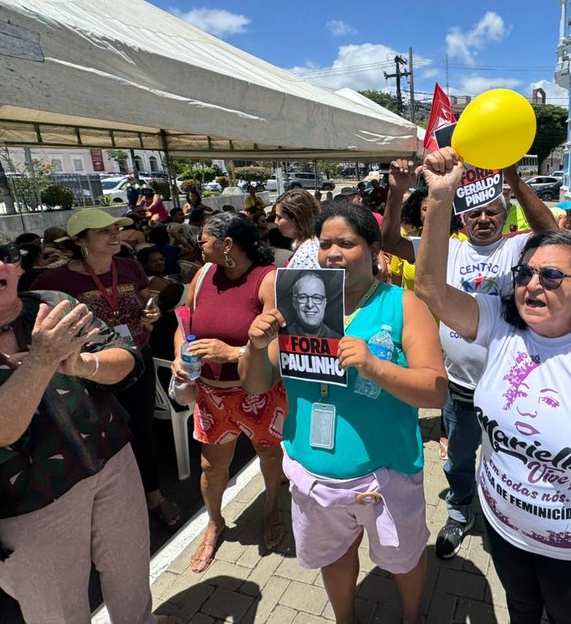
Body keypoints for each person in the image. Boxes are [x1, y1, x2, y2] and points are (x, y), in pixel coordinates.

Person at [414, 149, 571, 623]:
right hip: (502, 526)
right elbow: (430, 288)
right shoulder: (498, 322)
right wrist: (441, 197)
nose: (532, 284)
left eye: (551, 276)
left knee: (568, 616)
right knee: (521, 608)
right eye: (525, 273)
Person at [0, 215, 179, 624]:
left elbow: (126, 358)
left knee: (131, 571)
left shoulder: (50, 304)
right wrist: (42, 361)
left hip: (112, 463)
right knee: (58, 611)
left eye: (4, 253)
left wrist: (83, 364)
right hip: (29, 504)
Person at [239, 200, 447, 624]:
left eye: (347, 244)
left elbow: (436, 391)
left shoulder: (403, 305)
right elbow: (256, 384)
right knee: (334, 555)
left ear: (374, 250)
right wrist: (256, 347)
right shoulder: (298, 303)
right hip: (313, 474)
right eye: (325, 243)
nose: (333, 253)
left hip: (385, 474)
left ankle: (411, 617)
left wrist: (375, 366)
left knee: (403, 558)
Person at [382, 158, 560, 559]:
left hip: (512, 388)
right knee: (459, 457)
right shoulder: (446, 250)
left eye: (492, 211)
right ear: (461, 218)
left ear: (505, 214)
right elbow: (389, 242)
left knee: (515, 458)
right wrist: (396, 192)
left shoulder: (519, 248)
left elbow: (552, 234)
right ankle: (460, 511)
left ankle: (509, 517)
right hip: (460, 389)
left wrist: (513, 177)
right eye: (475, 212)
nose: (483, 219)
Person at [32, 209, 182, 528]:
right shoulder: (53, 281)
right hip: (87, 369)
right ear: (80, 241)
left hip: (135, 359)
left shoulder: (130, 267)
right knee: (96, 436)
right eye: (103, 231)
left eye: (116, 229)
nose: (115, 235)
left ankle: (154, 496)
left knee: (142, 430)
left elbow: (146, 301)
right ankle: (110, 505)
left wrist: (152, 313)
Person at [169, 213, 288, 572]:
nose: (198, 245)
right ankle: (215, 521)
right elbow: (184, 323)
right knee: (212, 466)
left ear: (227, 244)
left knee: (269, 455)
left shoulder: (267, 279)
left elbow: (278, 344)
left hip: (259, 393)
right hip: (211, 395)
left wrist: (233, 353)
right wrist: (179, 355)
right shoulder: (204, 273)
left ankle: (271, 506)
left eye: (204, 239)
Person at [283, 271, 342, 339]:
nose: (310, 305)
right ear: (294, 302)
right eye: (303, 297)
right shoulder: (281, 337)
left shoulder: (338, 340)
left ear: (324, 303)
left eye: (317, 298)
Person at [273, 188, 321, 268]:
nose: (275, 221)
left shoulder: (308, 253)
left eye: (279, 217)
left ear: (297, 218)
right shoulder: (305, 244)